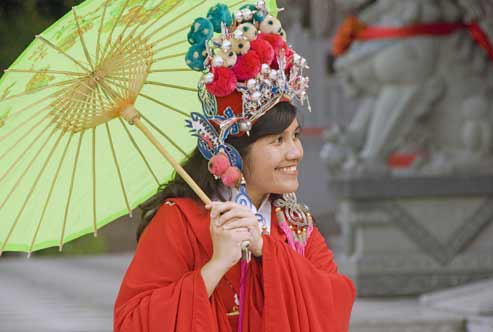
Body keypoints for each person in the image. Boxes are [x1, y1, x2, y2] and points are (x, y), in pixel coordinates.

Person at [114, 2, 355, 331]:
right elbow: (133, 322)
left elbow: (336, 300)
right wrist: (214, 267)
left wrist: (264, 250)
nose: (296, 152)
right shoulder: (180, 221)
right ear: (233, 150)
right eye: (277, 141)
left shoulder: (295, 224)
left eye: (295, 137)